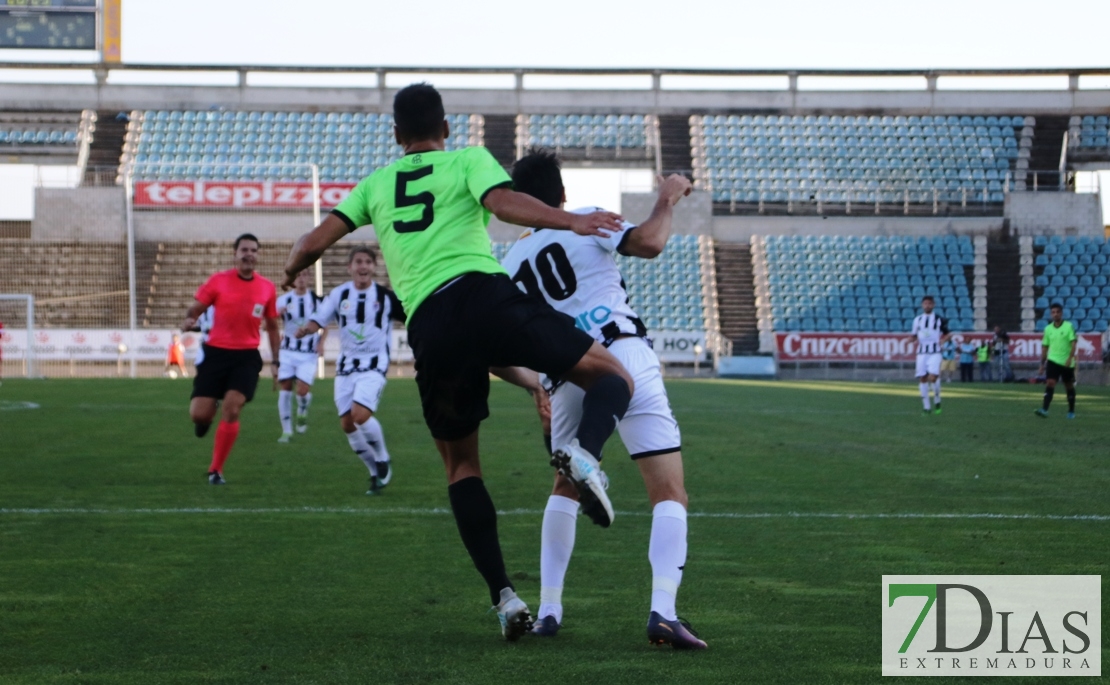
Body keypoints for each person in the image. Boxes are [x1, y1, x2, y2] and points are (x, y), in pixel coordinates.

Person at [282, 83, 632, 641]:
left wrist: (291, 270)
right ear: (445, 129)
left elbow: (310, 242)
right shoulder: (468, 158)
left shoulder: (374, 185)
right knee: (611, 374)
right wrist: (572, 222)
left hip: (432, 325)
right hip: (485, 297)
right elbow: (501, 203)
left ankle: (505, 598)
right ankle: (583, 455)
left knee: (462, 467)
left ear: (397, 136)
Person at [500, 150, 706, 649]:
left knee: (562, 488)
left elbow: (502, 348)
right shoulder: (584, 219)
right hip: (621, 353)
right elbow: (651, 242)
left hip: (565, 370)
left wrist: (536, 386)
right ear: (562, 195)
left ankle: (549, 610)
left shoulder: (509, 261)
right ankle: (663, 611)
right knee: (668, 493)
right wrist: (667, 197)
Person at [294, 246, 403, 494]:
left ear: (374, 267)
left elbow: (413, 318)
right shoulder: (339, 295)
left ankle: (383, 457)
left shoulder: (386, 297)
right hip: (346, 366)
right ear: (350, 267)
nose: (363, 266)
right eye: (358, 262)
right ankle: (375, 473)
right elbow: (319, 319)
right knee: (347, 425)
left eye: (367, 262)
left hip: (374, 365)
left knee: (360, 415)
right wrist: (306, 329)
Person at [182, 233, 280, 485]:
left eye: (254, 250)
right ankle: (208, 412)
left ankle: (216, 470)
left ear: (258, 255)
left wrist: (276, 362)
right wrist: (190, 318)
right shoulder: (218, 281)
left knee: (233, 407)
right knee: (199, 416)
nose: (249, 254)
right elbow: (197, 307)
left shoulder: (267, 288)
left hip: (246, 357)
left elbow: (272, 327)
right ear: (235, 254)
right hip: (216, 354)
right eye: (245, 250)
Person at [275, 269, 326, 443]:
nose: (301, 278)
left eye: (304, 275)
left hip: (308, 352)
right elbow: (270, 323)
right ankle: (286, 431)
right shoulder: (282, 300)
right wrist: (277, 315)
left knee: (302, 391)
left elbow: (325, 324)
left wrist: (321, 343)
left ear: (309, 278)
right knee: (286, 387)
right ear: (292, 280)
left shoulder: (317, 301)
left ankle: (303, 409)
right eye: (298, 275)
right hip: (287, 351)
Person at [1035, 303, 1078, 419]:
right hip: (1052, 360)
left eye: (1057, 312)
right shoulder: (1048, 329)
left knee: (1068, 385)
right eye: (1053, 312)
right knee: (1050, 382)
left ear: (1061, 313)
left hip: (1066, 362)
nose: (1055, 314)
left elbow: (1073, 344)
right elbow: (1045, 347)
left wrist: (1070, 358)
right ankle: (1044, 409)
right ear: (1051, 314)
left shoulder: (1068, 326)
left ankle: (1071, 411)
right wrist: (1042, 365)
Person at [908, 295, 949, 415]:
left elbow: (948, 334)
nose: (927, 305)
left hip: (935, 352)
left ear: (933, 305)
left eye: (929, 303)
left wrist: (943, 340)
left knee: (933, 377)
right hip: (921, 353)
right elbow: (914, 335)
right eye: (925, 303)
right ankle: (926, 407)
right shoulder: (917, 320)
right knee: (922, 378)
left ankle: (937, 399)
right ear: (922, 305)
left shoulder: (939, 319)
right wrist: (910, 339)